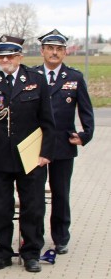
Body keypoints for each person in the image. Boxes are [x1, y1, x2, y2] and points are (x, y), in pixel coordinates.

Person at [0, 35, 55, 272]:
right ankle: (3, 252)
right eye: (1, 56)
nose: (5, 60)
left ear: (20, 56)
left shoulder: (35, 80)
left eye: (10, 55)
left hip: (31, 156)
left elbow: (47, 121)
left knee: (33, 206)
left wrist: (46, 153)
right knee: (0, 208)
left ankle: (31, 252)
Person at [34, 29, 94, 255]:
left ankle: (60, 237)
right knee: (35, 194)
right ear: (42, 51)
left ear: (65, 52)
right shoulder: (32, 74)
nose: (54, 53)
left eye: (59, 49)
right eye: (50, 48)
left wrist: (85, 134)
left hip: (63, 144)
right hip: (36, 144)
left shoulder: (74, 77)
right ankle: (34, 237)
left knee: (61, 193)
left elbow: (86, 109)